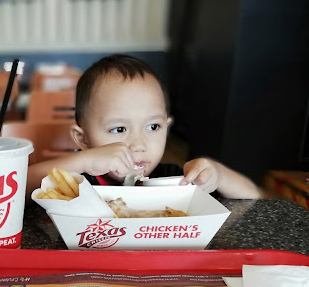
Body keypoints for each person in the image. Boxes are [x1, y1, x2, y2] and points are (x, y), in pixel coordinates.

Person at [27, 54, 262, 198]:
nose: (138, 145)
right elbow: (13, 193)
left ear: (167, 126)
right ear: (83, 139)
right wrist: (83, 162)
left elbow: (254, 197)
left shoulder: (172, 181)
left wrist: (218, 175)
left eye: (153, 127)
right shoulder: (77, 182)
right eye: (119, 130)